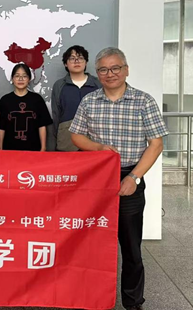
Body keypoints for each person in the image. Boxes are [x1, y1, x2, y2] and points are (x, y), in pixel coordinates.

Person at [70, 47, 168, 310]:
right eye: (103, 69)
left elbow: (156, 144)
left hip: (129, 177)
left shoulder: (143, 101)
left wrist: (134, 177)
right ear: (97, 73)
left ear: (126, 70)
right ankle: (90, 299)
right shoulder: (89, 101)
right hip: (95, 180)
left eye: (115, 68)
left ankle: (133, 303)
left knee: (131, 248)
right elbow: (76, 135)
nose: (110, 74)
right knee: (90, 244)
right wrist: (99, 148)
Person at [49, 45, 101, 151]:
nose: (76, 61)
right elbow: (56, 115)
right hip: (66, 137)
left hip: (94, 137)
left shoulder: (98, 84)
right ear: (65, 63)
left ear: (86, 62)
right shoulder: (59, 85)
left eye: (80, 58)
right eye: (72, 58)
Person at [0, 63, 52, 151]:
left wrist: (43, 148)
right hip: (9, 149)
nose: (21, 79)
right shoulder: (5, 100)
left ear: (29, 79)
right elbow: (1, 127)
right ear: (12, 79)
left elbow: (42, 125)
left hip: (33, 149)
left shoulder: (37, 99)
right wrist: (0, 149)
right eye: (17, 76)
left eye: (24, 76)